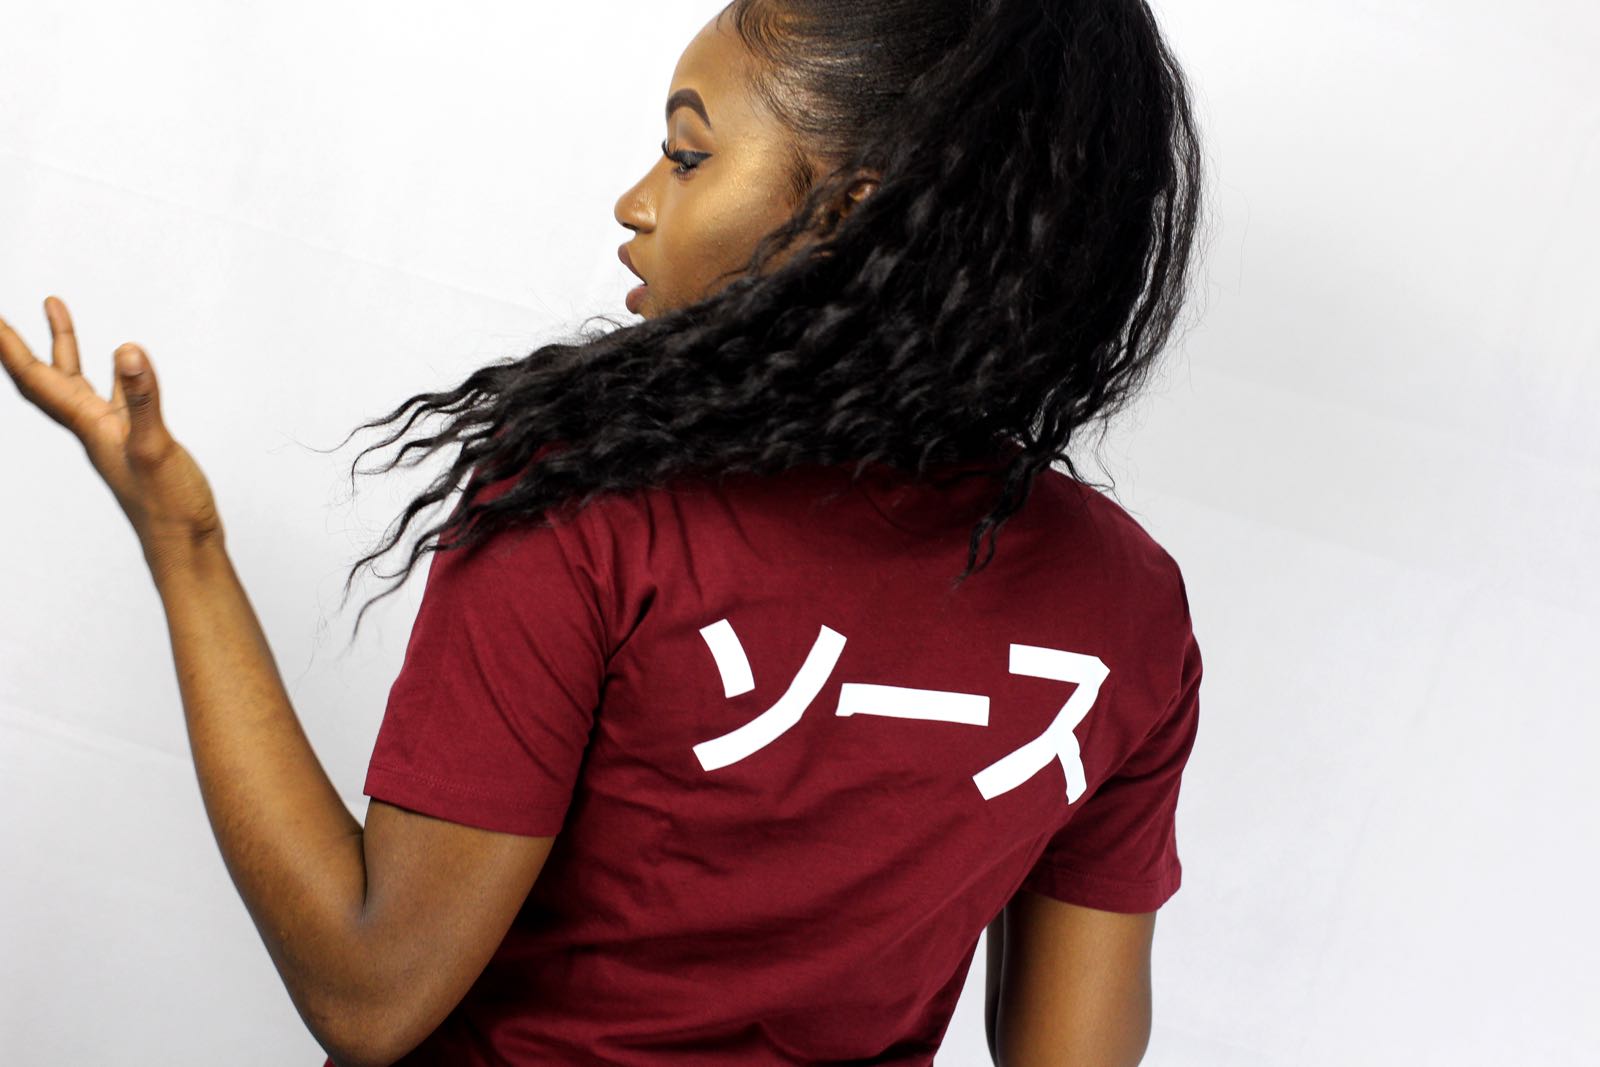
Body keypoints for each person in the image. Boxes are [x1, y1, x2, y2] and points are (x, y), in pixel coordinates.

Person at [0, 0, 1205, 1063]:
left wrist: (184, 544)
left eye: (687, 156)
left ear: (847, 217)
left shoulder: (594, 504)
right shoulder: (1125, 604)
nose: (635, 202)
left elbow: (371, 991)